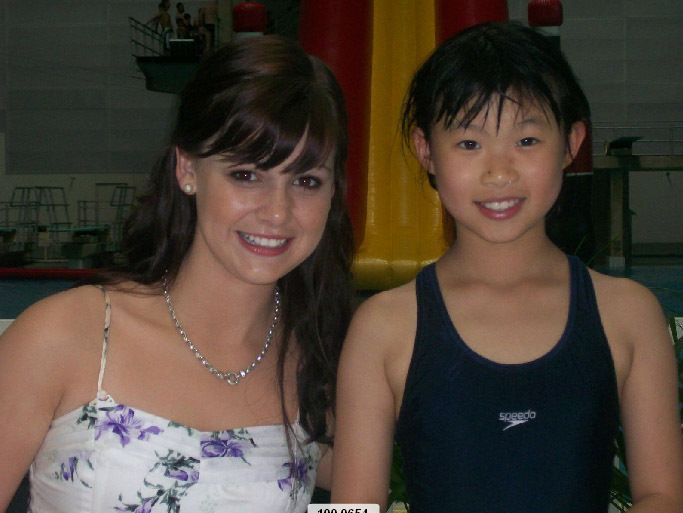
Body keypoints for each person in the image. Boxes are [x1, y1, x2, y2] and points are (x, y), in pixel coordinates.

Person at [331, 22, 683, 512]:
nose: (499, 172)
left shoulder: (628, 313)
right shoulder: (384, 327)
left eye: (527, 140)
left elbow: (664, 495)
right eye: (469, 144)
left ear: (572, 143)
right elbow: (352, 505)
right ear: (426, 151)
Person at [0, 35, 353, 513]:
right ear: (187, 168)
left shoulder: (322, 359)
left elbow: (366, 497)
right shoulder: (63, 336)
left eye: (307, 181)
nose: (277, 211)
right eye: (246, 175)